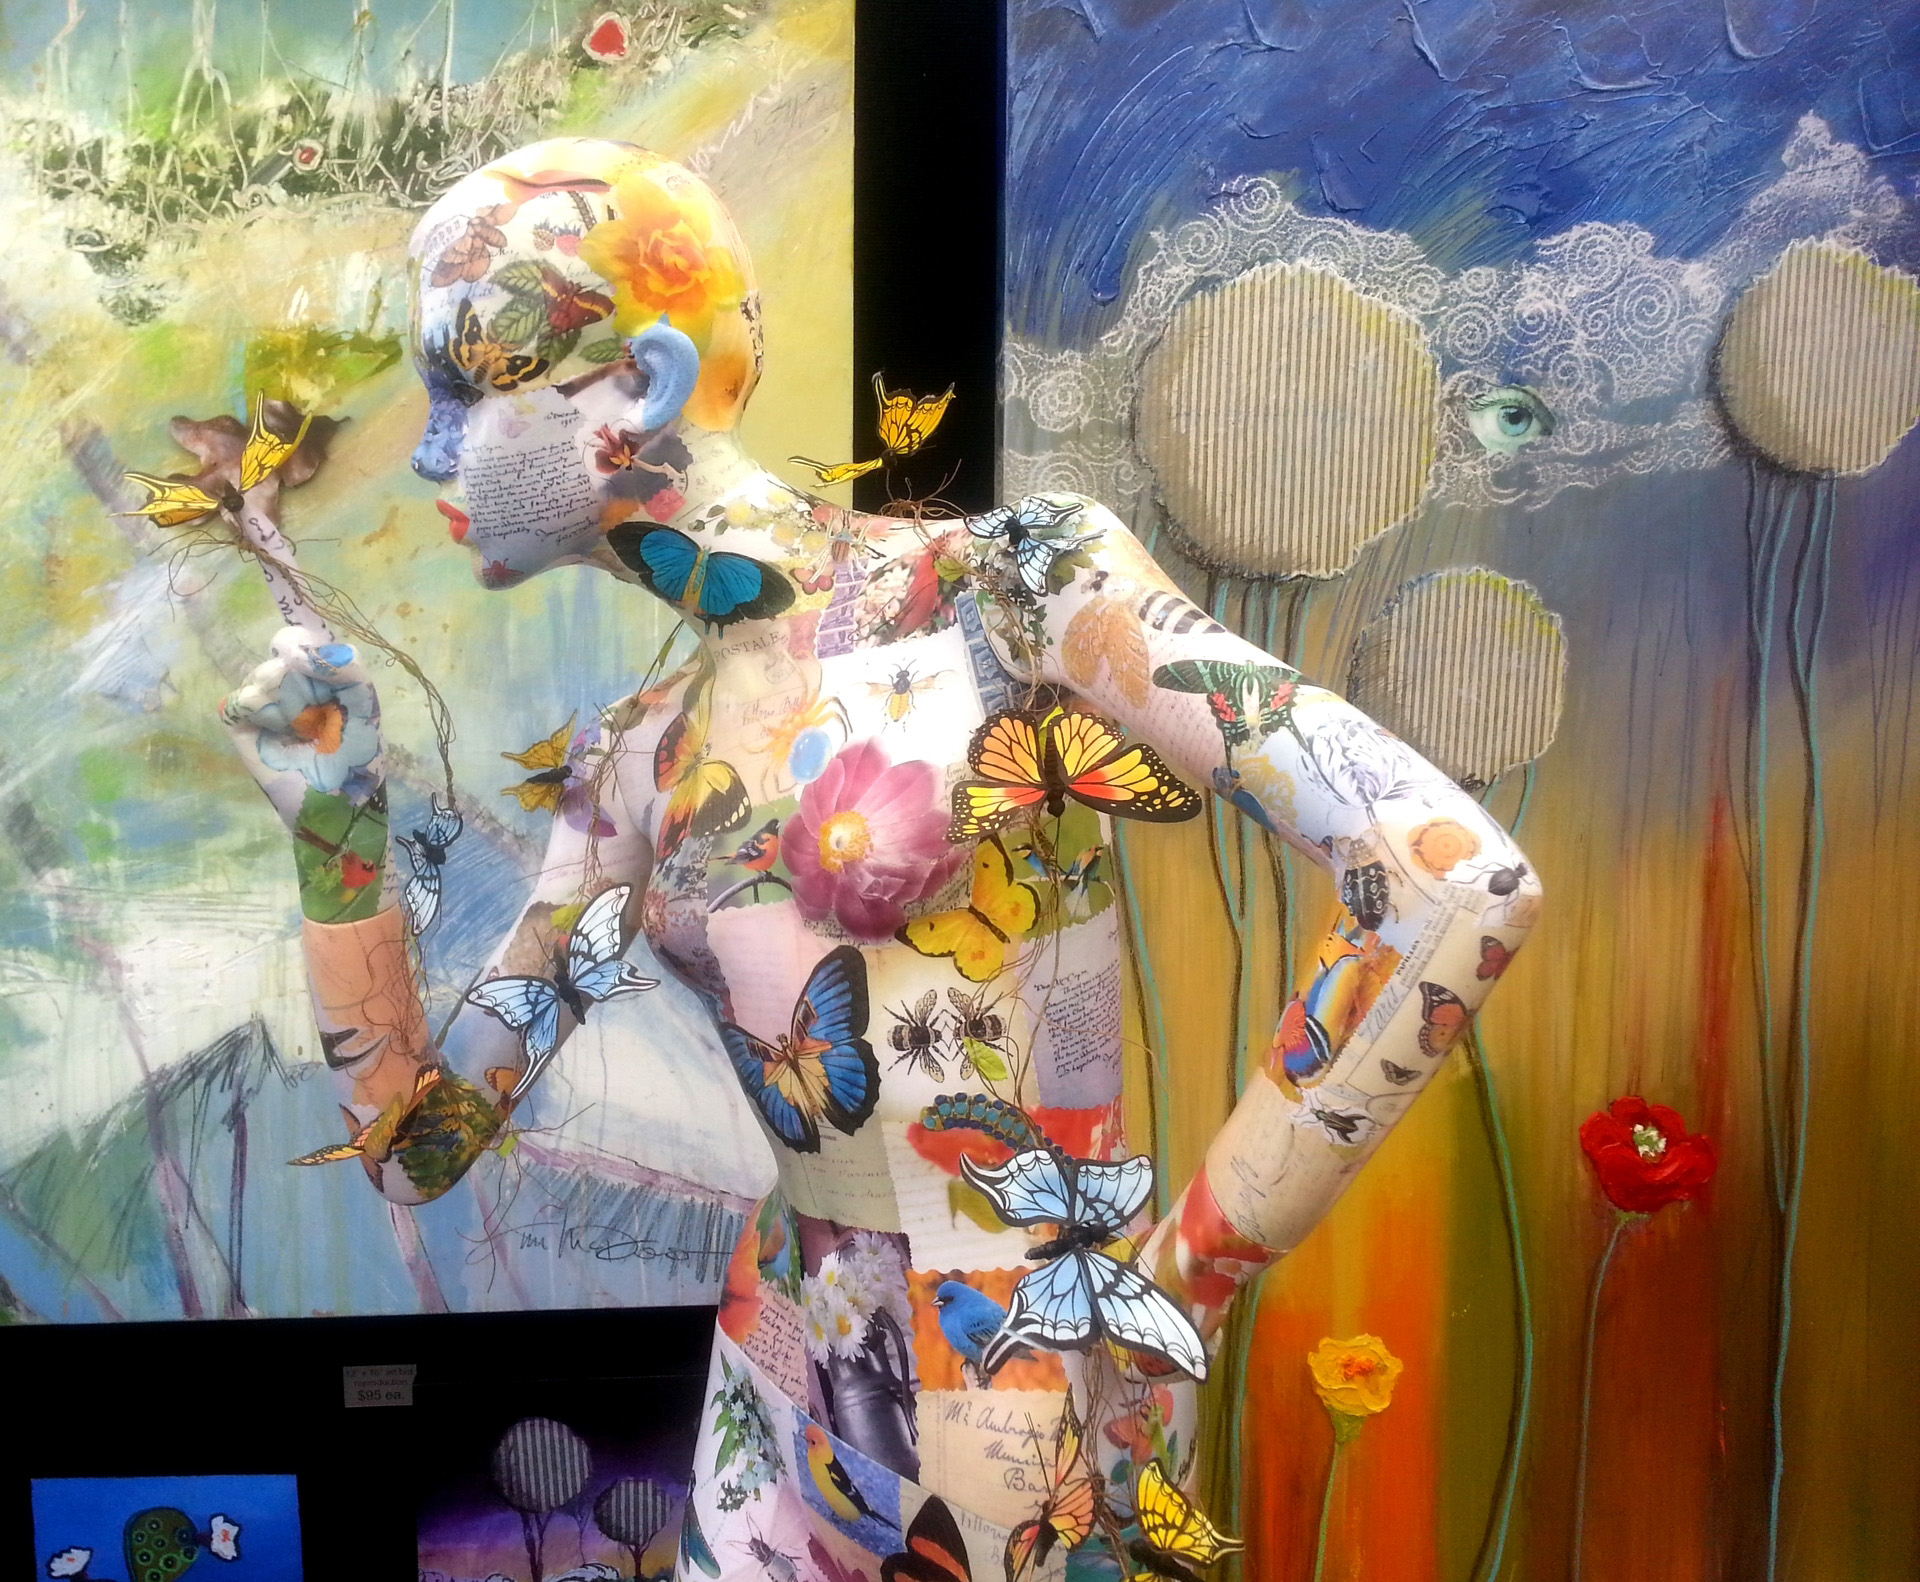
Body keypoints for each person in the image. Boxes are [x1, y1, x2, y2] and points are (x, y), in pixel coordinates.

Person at [218, 138, 1539, 1577]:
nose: (429, 452)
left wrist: (1169, 1294)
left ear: (638, 390)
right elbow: (419, 1149)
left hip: (1012, 1412)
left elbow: (1449, 884)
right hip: (771, 1383)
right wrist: (334, 836)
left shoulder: (1012, 591)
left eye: (466, 388)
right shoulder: (634, 760)